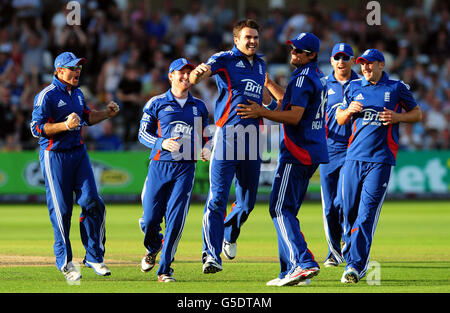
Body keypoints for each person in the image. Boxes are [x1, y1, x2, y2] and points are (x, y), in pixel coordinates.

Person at [237, 32, 328, 286]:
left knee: (278, 208)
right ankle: (290, 271)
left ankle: (303, 262)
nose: (293, 54)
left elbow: (294, 116)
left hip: (297, 152)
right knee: (287, 211)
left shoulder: (301, 78)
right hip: (311, 151)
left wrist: (261, 112)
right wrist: (267, 83)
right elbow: (286, 101)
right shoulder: (315, 76)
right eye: (292, 49)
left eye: (299, 51)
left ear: (311, 55)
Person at [189, 19, 271, 274]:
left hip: (254, 139)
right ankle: (211, 255)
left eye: (255, 37)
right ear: (236, 40)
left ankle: (229, 233)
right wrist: (196, 73)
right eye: (248, 37)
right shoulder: (224, 58)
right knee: (217, 199)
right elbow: (197, 75)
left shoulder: (260, 64)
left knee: (247, 203)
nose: (253, 41)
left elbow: (263, 98)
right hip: (227, 137)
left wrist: (267, 108)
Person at [30, 52, 120, 282]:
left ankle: (93, 257)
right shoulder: (46, 96)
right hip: (54, 156)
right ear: (59, 71)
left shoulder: (78, 93)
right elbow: (36, 129)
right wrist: (64, 125)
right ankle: (65, 262)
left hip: (78, 153)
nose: (77, 71)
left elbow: (87, 117)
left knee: (93, 201)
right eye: (72, 67)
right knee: (62, 210)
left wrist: (107, 114)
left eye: (79, 66)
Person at [336, 49, 422, 283]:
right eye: (362, 64)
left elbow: (417, 114)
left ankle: (356, 266)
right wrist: (347, 111)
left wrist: (397, 118)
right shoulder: (353, 87)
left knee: (366, 215)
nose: (365, 68)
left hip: (381, 160)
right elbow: (339, 118)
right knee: (346, 210)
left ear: (381, 65)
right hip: (353, 158)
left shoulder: (396, 88)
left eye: (370, 64)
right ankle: (349, 244)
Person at [138, 58, 211, 282]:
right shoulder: (156, 102)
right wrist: (162, 143)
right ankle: (153, 247)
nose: (184, 76)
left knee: (176, 219)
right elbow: (142, 134)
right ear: (170, 75)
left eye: (188, 72)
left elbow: (206, 135)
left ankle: (165, 269)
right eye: (180, 72)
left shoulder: (199, 106)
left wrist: (207, 147)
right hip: (159, 165)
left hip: (186, 168)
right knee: (150, 220)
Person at [320, 43, 359, 268]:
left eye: (345, 57)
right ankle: (334, 252)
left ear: (352, 60)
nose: (341, 61)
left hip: (353, 149)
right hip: (328, 150)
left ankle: (349, 246)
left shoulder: (361, 83)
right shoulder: (323, 85)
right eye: (337, 57)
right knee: (329, 206)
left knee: (346, 200)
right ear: (332, 61)